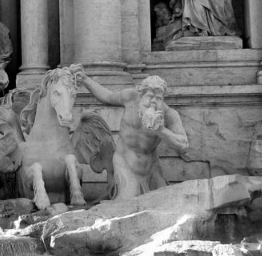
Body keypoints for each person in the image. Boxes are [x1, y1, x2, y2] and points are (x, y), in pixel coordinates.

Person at [73, 68, 188, 200]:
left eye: (158, 98)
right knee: (128, 204)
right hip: (124, 162)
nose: (153, 102)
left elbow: (183, 145)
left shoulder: (169, 115)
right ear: (141, 95)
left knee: (163, 204)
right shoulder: (130, 98)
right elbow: (107, 96)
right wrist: (85, 79)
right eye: (150, 96)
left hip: (150, 166)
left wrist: (161, 130)